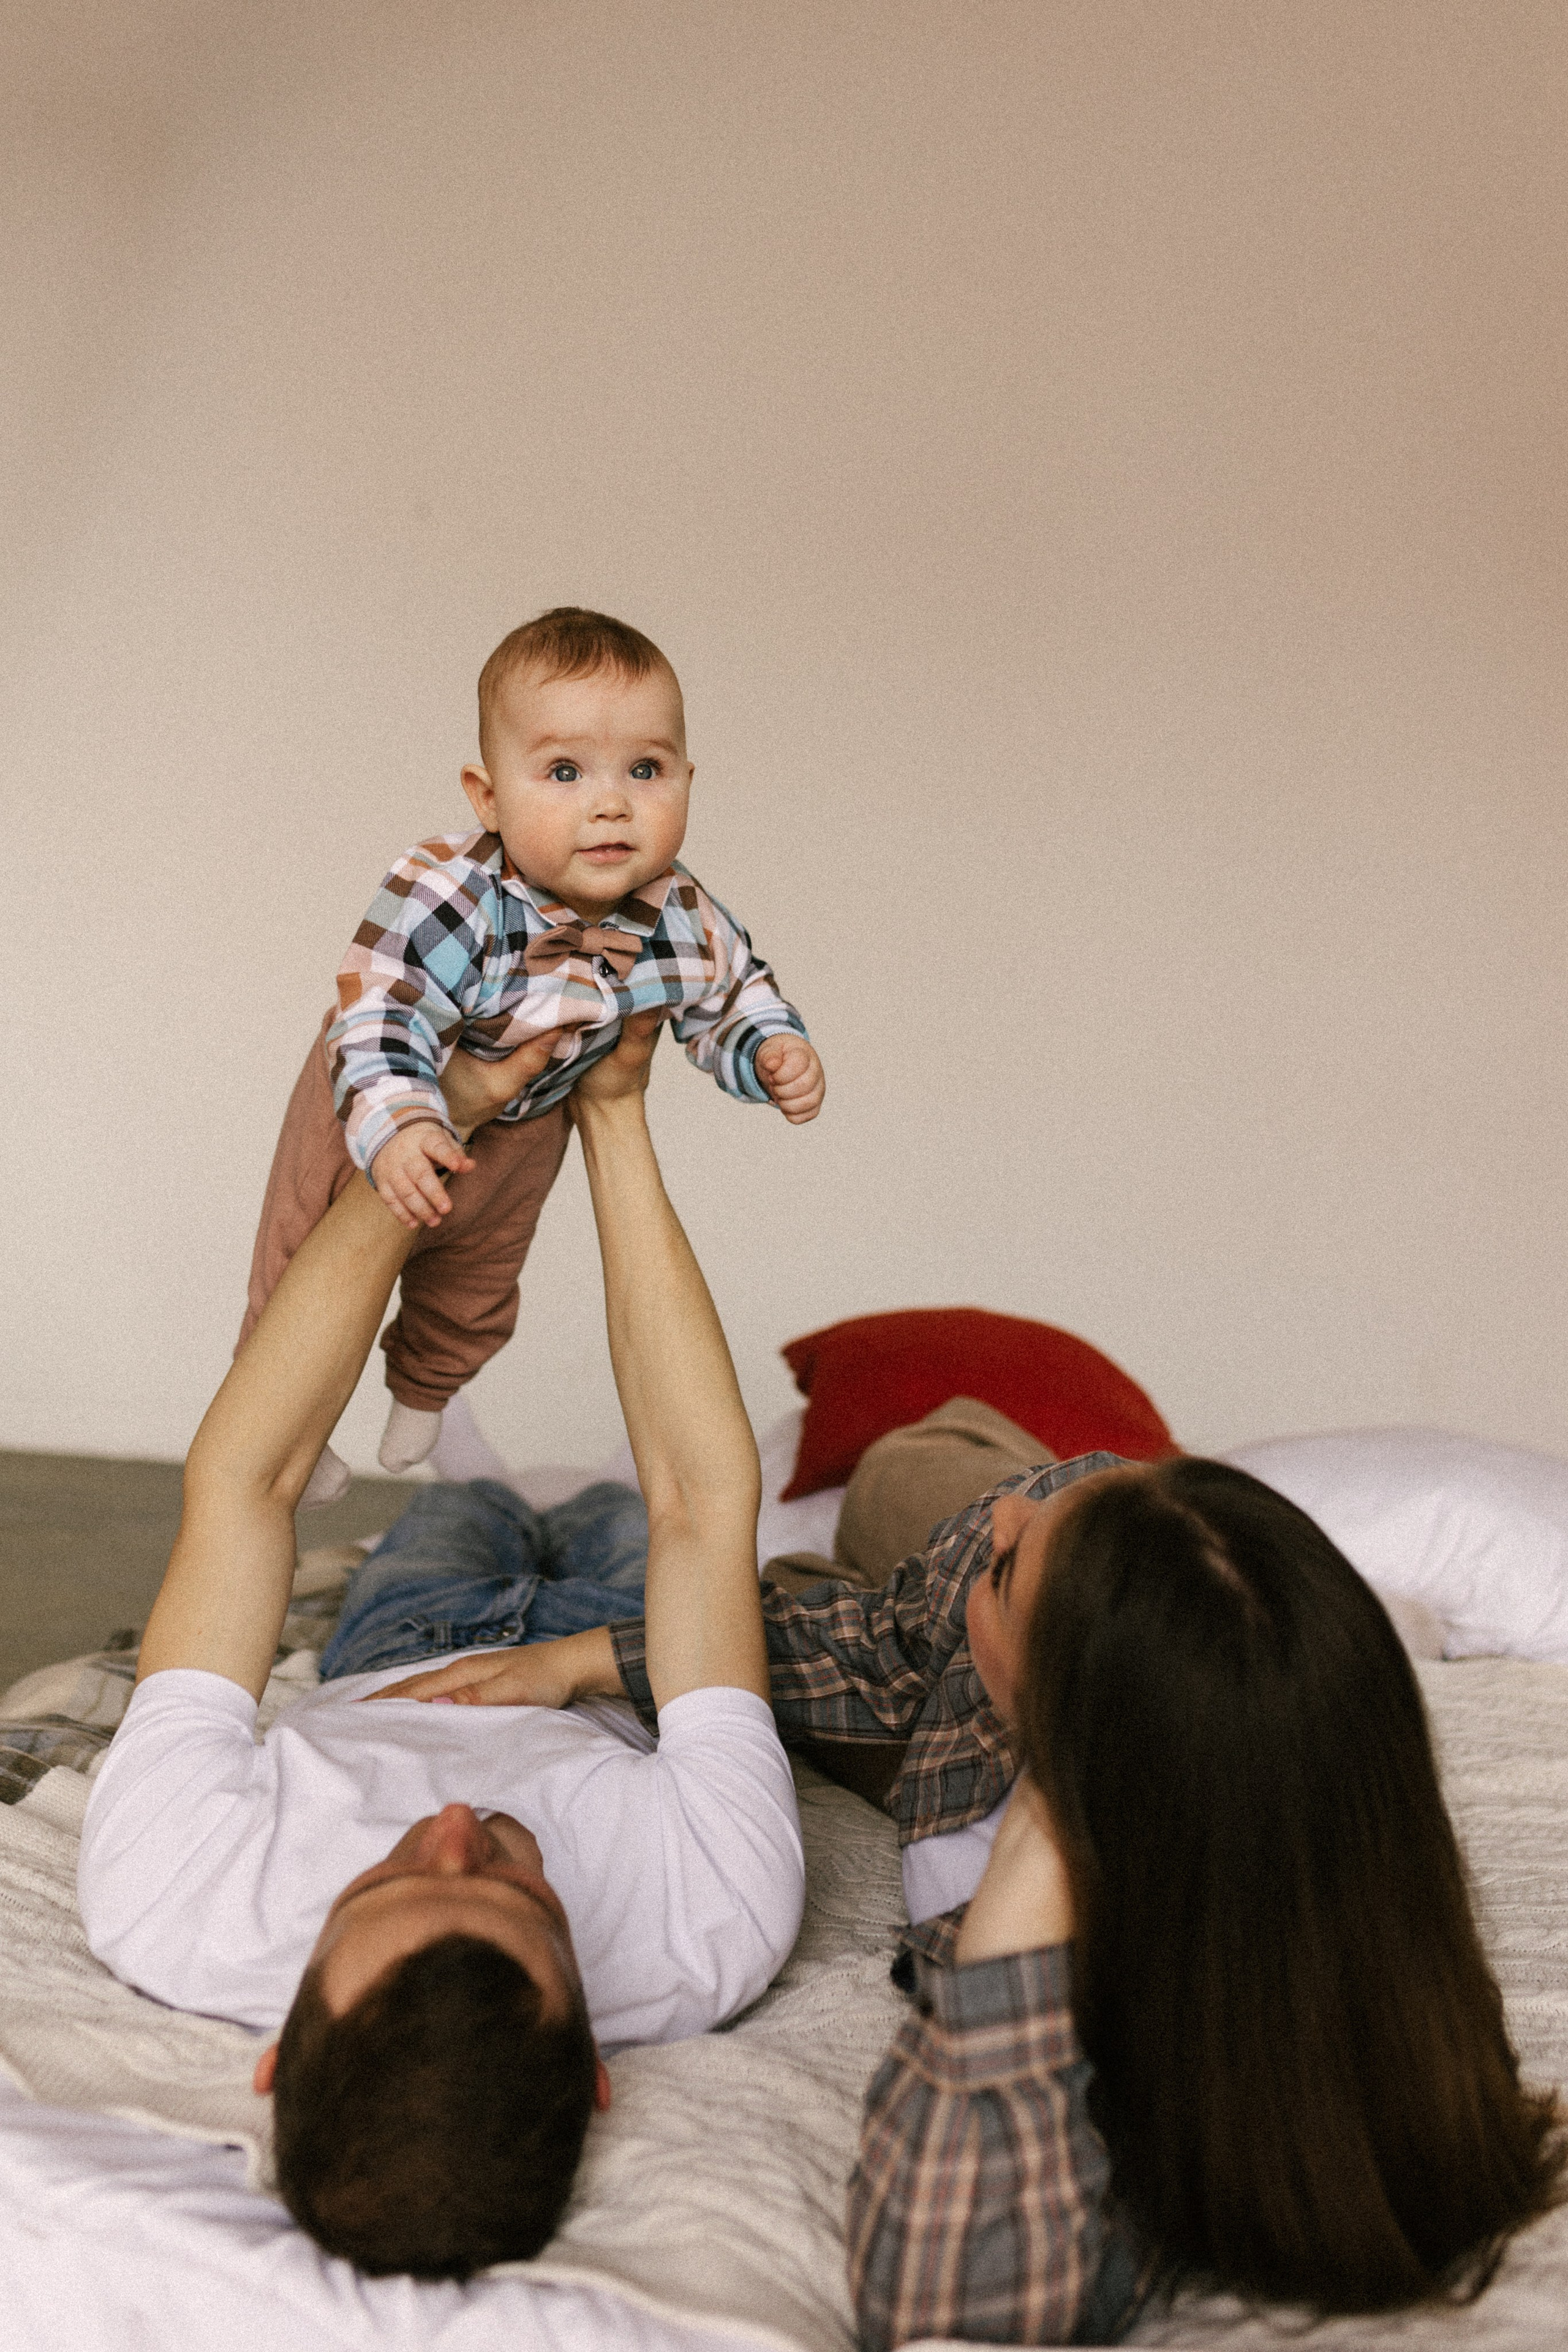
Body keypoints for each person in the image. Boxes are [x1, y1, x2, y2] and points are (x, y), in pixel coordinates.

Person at [394, 1456, 1567, 2342]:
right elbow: (887, 1636)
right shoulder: (1037, 1531)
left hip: (994, 1730)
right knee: (916, 1478)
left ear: (1075, 1755)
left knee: (849, 1543)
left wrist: (1042, 1842)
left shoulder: (1202, 2012)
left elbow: (939, 2299)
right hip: (941, 1618)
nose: (1003, 1524)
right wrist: (594, 1655)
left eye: (1013, 1571)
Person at [77, 1015, 805, 2279]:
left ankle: (478, 1476)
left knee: (459, 1510)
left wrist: (446, 1115)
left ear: (275, 2041)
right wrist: (617, 1115)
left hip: (399, 1649)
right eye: (518, 1888)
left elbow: (249, 1484)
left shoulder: (170, 1902)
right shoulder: (711, 1934)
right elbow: (702, 1507)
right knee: (626, 1513)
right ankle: (536, 1487)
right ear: (594, 2066)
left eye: (393, 1878)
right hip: (618, 1659)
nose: (460, 1819)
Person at [237, 605, 826, 1506]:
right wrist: (399, 1122)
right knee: (306, 1257)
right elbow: (378, 1009)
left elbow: (731, 991)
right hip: (380, 1094)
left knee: (480, 1273)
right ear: (489, 796)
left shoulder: (683, 913)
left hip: (527, 1124)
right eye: (563, 771)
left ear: (688, 780)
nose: (610, 801)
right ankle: (296, 1427)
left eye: (646, 768)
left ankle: (426, 1389)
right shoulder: (449, 888)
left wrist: (769, 1047)